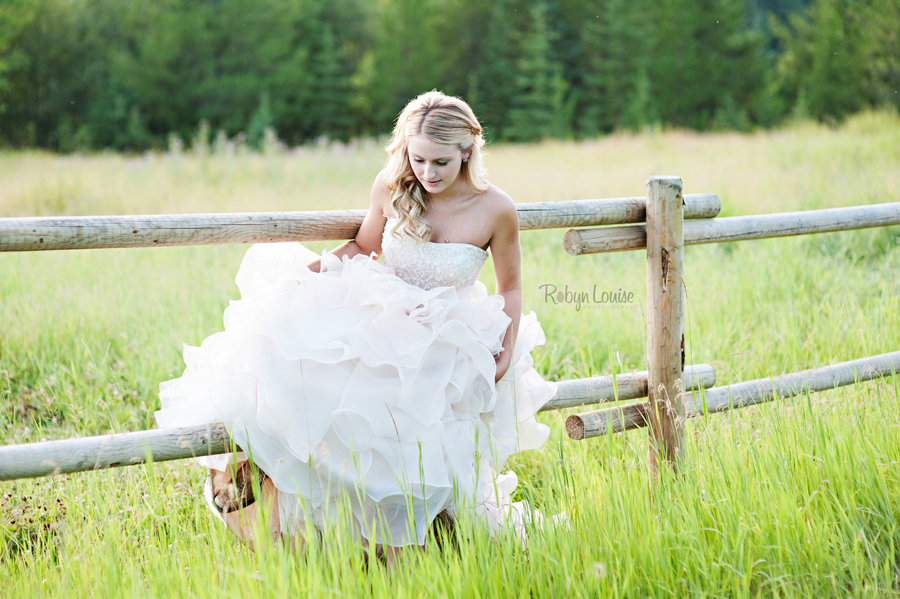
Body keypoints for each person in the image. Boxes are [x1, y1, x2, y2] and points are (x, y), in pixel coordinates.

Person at [155, 90, 557, 564]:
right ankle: (299, 513)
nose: (427, 174)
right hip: (384, 313)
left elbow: (510, 288)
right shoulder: (391, 187)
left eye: (441, 163)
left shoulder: (496, 209)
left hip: (449, 333)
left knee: (419, 436)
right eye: (418, 158)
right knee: (316, 377)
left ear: (469, 149)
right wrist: (303, 278)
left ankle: (414, 543)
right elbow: (364, 246)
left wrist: (506, 349)